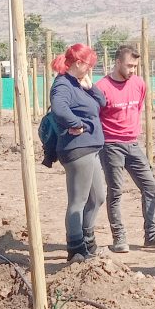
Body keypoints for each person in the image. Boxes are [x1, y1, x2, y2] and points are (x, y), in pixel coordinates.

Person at [95, 44, 155, 251]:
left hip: (133, 144)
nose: (132, 70)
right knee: (116, 191)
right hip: (111, 145)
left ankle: (151, 235)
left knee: (150, 186)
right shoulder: (102, 87)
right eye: (129, 66)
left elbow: (138, 108)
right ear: (117, 63)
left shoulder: (139, 84)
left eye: (135, 66)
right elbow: (95, 117)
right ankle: (119, 238)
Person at [49, 43, 108, 262]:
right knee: (78, 200)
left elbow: (101, 103)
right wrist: (77, 123)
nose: (90, 68)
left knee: (98, 197)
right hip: (77, 148)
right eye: (89, 65)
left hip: (91, 148)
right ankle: (75, 249)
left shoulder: (77, 83)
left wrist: (90, 87)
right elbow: (59, 108)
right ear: (79, 63)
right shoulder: (63, 84)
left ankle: (88, 242)